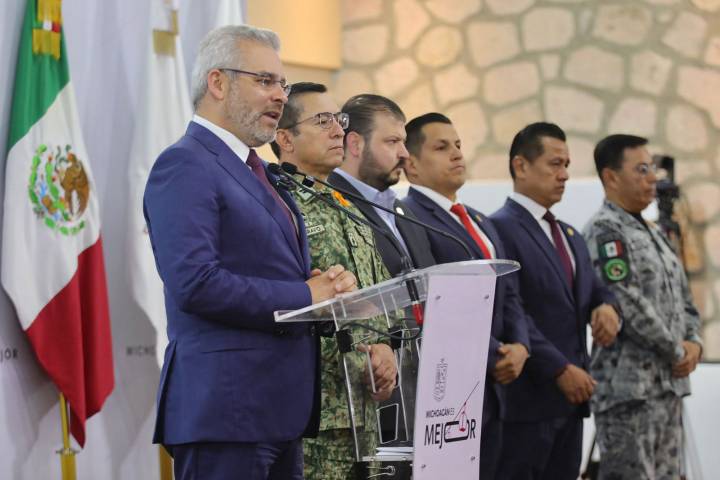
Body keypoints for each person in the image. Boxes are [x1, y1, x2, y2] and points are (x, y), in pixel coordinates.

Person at [143, 26, 356, 480]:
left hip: (278, 410)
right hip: (227, 411)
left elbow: (265, 266)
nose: (280, 96)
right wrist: (305, 295)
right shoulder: (185, 164)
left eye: (282, 84)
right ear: (218, 83)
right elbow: (195, 283)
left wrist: (324, 287)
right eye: (264, 81)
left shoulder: (257, 169)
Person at [271, 82, 398, 479]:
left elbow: (381, 294)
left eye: (338, 120)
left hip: (365, 409)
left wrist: (386, 347)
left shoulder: (347, 204)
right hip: (314, 417)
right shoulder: (275, 206)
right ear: (285, 138)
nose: (338, 130)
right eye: (322, 121)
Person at [401, 112, 531, 479]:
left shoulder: (479, 219)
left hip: (498, 384)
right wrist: (494, 353)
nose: (457, 154)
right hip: (454, 386)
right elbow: (436, 302)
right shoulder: (410, 217)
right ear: (411, 164)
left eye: (458, 145)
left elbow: (509, 292)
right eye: (442, 147)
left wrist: (521, 345)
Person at [489, 122, 620, 480]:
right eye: (555, 164)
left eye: (567, 165)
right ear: (521, 166)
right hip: (527, 402)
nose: (564, 175)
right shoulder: (499, 229)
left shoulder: (568, 233)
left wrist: (606, 306)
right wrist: (559, 368)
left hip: (571, 401)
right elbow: (513, 311)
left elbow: (596, 289)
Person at [584, 134, 702, 480]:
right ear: (611, 177)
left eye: (652, 168)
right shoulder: (606, 230)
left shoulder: (654, 232)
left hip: (667, 387)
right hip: (629, 393)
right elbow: (626, 301)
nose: (652, 178)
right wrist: (676, 350)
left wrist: (694, 342)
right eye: (641, 170)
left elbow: (683, 297)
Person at [328, 94, 436, 276]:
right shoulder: (329, 206)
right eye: (392, 141)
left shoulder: (403, 211)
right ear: (355, 144)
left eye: (403, 142)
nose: (404, 153)